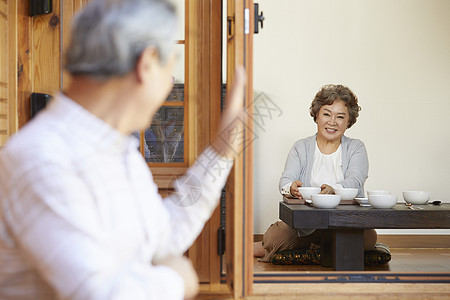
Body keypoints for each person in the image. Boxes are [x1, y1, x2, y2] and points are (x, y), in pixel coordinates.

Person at [0, 0, 246, 299]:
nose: (170, 84)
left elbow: (160, 235)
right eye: (171, 66)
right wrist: (178, 280)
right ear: (147, 64)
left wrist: (221, 153)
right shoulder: (42, 157)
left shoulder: (119, 151)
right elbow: (102, 295)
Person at [254, 84, 377, 261]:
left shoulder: (356, 147)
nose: (332, 122)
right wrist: (292, 187)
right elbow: (286, 180)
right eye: (326, 114)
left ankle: (313, 248)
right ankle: (323, 247)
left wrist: (334, 190)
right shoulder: (301, 147)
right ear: (317, 116)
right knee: (275, 236)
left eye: (340, 116)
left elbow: (356, 181)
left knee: (369, 239)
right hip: (306, 226)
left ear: (349, 121)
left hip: (346, 222)